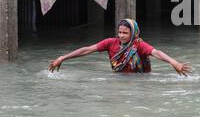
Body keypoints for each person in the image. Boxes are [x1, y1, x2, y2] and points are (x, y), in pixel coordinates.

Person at [48, 19, 191, 76]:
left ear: (133, 33)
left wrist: (174, 62)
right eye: (120, 32)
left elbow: (156, 53)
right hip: (118, 80)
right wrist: (63, 58)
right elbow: (87, 49)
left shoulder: (139, 45)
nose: (121, 35)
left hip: (141, 82)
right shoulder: (111, 43)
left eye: (125, 33)